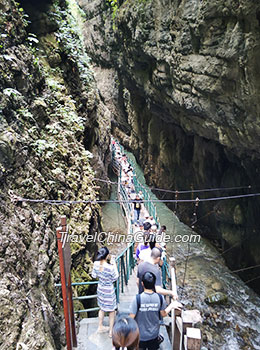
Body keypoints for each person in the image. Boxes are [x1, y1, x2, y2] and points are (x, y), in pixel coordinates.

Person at [130, 272, 178, 350]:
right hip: (154, 335)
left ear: (142, 284)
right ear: (154, 284)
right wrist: (172, 306)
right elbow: (163, 314)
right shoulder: (160, 298)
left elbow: (131, 318)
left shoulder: (137, 299)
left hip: (140, 336)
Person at [92, 247, 119, 337]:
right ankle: (111, 331)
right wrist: (114, 263)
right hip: (108, 290)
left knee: (102, 308)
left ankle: (100, 326)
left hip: (100, 289)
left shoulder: (95, 264)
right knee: (111, 310)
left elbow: (94, 275)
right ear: (107, 256)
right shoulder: (110, 267)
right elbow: (115, 277)